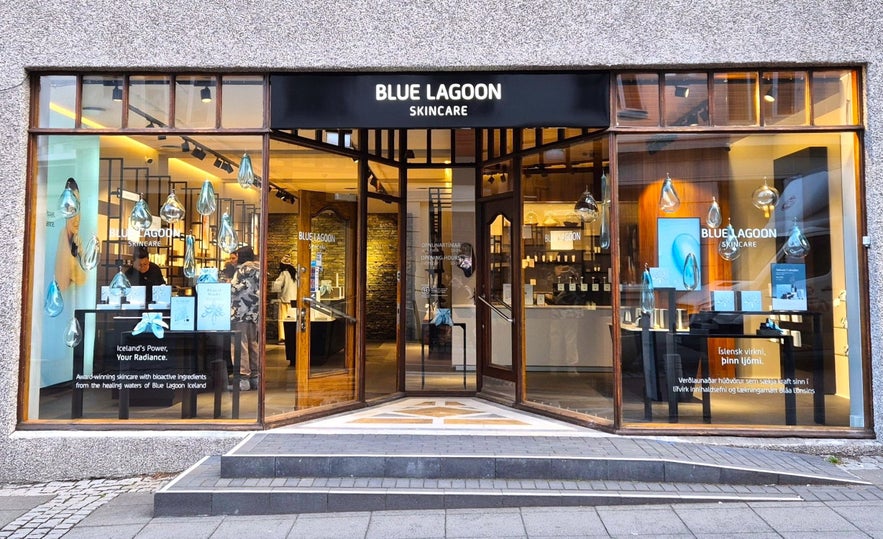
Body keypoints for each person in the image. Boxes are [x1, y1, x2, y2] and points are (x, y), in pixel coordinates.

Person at [230, 245, 260, 391]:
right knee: (253, 342)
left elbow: (234, 289)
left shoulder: (242, 270)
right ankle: (255, 377)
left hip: (239, 311)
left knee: (239, 344)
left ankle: (243, 379)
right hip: (254, 312)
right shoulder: (258, 269)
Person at [273, 258, 298, 342]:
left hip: (285, 299)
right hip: (294, 300)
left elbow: (276, 286)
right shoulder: (296, 274)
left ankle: (283, 337)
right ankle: (292, 336)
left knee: (282, 319)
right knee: (293, 319)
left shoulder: (284, 273)